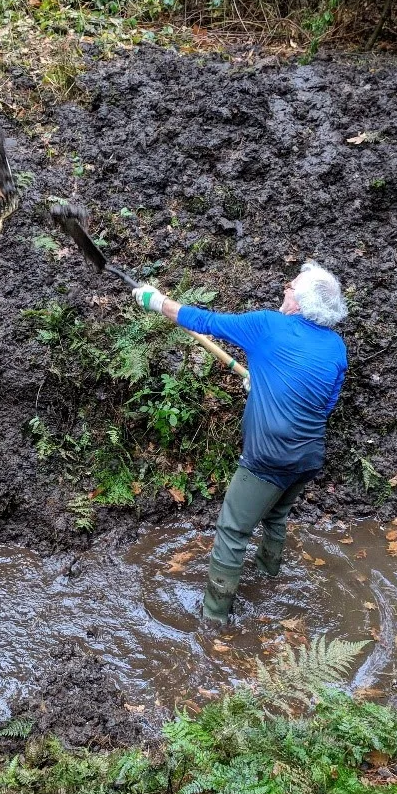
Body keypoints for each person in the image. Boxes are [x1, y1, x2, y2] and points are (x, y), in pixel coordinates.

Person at [131, 262, 348, 624]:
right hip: (309, 458)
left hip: (268, 459)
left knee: (232, 531)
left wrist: (155, 301)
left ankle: (214, 622)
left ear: (300, 301)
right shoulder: (336, 347)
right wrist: (265, 384)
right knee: (276, 516)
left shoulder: (268, 325)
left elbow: (205, 321)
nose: (285, 290)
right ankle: (268, 581)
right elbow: (323, 404)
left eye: (290, 286)